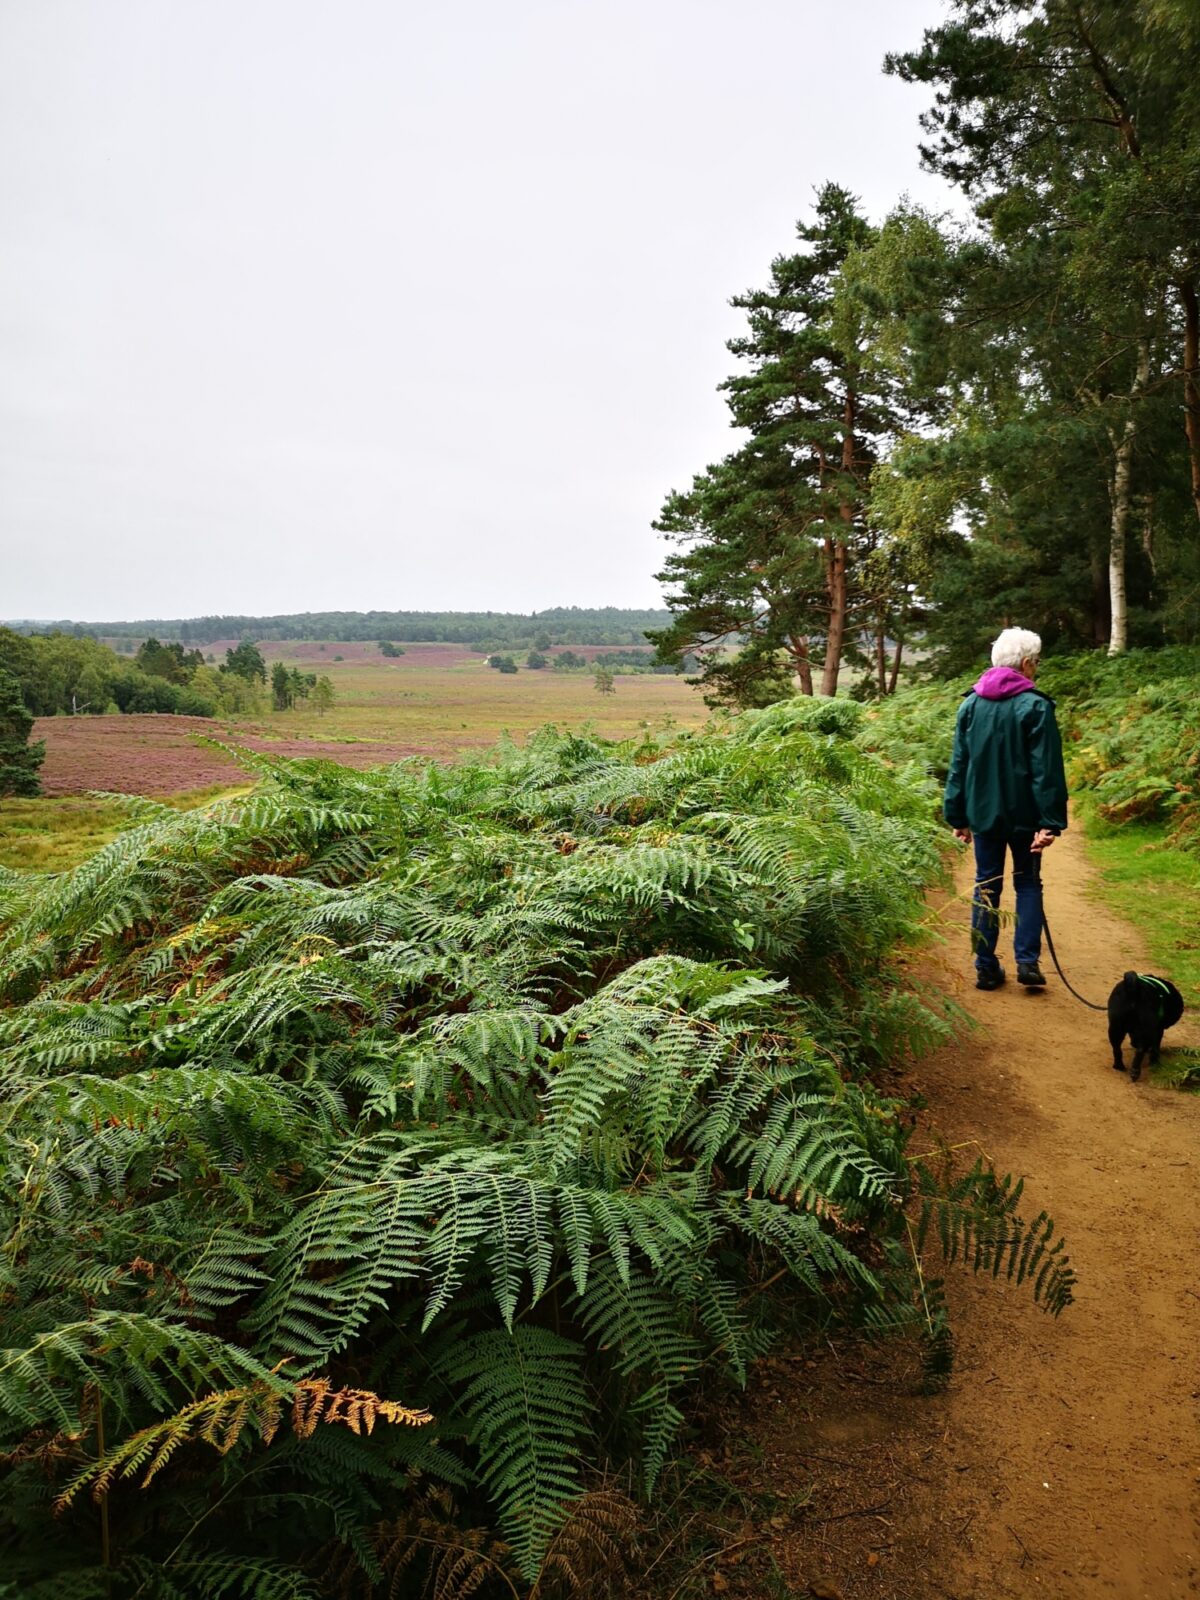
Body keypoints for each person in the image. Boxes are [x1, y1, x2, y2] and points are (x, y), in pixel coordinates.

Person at [943, 628, 1068, 991]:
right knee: (1028, 883)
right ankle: (1027, 963)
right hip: (1026, 819)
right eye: (1037, 662)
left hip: (983, 816)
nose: (1037, 668)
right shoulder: (1036, 706)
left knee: (986, 885)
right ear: (1027, 664)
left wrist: (958, 815)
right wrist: (1049, 823)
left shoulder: (970, 705)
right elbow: (1046, 771)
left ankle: (985, 966)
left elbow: (959, 765)